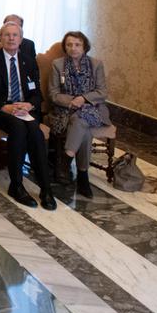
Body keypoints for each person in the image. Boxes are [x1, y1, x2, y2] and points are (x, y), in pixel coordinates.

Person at [0, 22, 56, 210]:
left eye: (15, 35)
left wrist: (29, 104)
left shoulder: (28, 61)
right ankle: (16, 184)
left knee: (35, 132)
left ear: (21, 39)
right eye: (7, 35)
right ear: (0, 38)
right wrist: (4, 107)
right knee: (18, 127)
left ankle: (45, 188)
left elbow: (37, 94)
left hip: (24, 110)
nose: (11, 38)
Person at [48, 31, 110, 198]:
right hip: (66, 108)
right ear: (65, 47)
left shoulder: (96, 64)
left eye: (77, 45)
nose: (73, 48)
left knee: (81, 119)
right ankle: (83, 175)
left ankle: (65, 161)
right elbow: (53, 94)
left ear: (84, 47)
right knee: (84, 127)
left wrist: (83, 99)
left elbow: (102, 92)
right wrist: (73, 101)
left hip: (92, 107)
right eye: (69, 45)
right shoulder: (58, 64)